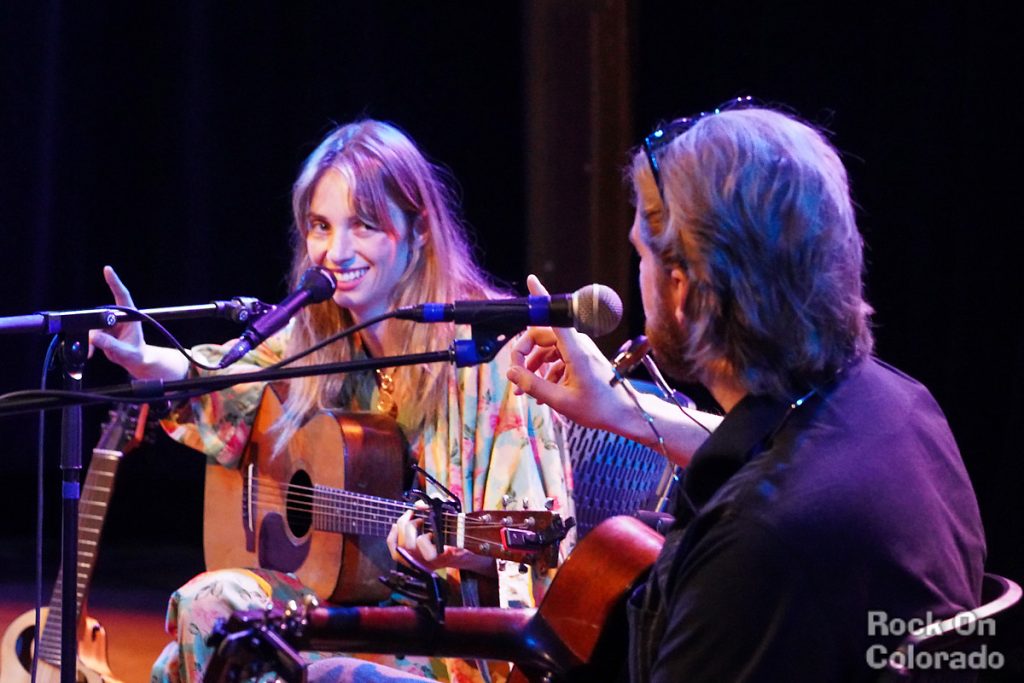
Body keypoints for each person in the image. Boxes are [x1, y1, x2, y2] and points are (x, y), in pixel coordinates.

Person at [503, 103, 987, 680]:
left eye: (641, 254)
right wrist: (624, 409)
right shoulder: (902, 408)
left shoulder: (756, 548)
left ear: (680, 290)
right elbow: (782, 448)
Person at [90, 119, 574, 683]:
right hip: (358, 616)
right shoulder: (322, 340)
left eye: (363, 225)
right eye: (321, 226)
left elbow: (536, 548)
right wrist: (151, 361)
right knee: (214, 613)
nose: (336, 252)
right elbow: (234, 382)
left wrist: (455, 550)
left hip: (454, 641)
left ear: (418, 231)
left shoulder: (496, 360)